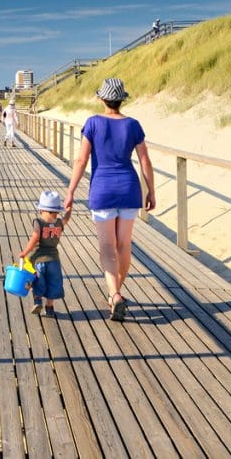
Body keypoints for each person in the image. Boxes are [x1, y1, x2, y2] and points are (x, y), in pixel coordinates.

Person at [63, 78, 155, 321]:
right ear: (121, 99)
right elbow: (145, 161)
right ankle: (118, 292)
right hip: (129, 188)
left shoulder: (93, 123)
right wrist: (151, 190)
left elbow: (81, 161)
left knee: (106, 246)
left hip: (102, 189)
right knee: (124, 244)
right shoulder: (133, 125)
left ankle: (114, 295)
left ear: (102, 99)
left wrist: (71, 191)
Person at [19, 191, 70, 315]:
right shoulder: (59, 223)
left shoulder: (38, 222)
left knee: (37, 280)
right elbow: (66, 219)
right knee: (53, 282)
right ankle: (49, 307)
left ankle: (37, 301)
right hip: (54, 260)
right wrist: (69, 208)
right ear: (57, 211)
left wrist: (24, 252)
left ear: (41, 209)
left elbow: (35, 237)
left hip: (39, 260)